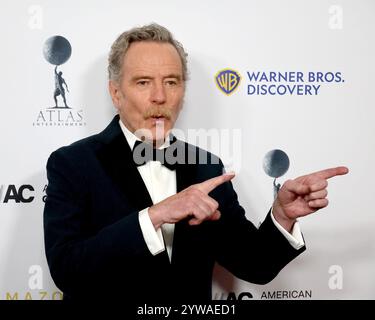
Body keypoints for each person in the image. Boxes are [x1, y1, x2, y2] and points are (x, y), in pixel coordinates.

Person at [43, 23, 348, 302]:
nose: (160, 96)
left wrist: (281, 216)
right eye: (143, 82)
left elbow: (254, 264)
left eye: (172, 82)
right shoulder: (72, 164)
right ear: (116, 93)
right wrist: (155, 216)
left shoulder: (205, 166)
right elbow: (68, 270)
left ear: (183, 92)